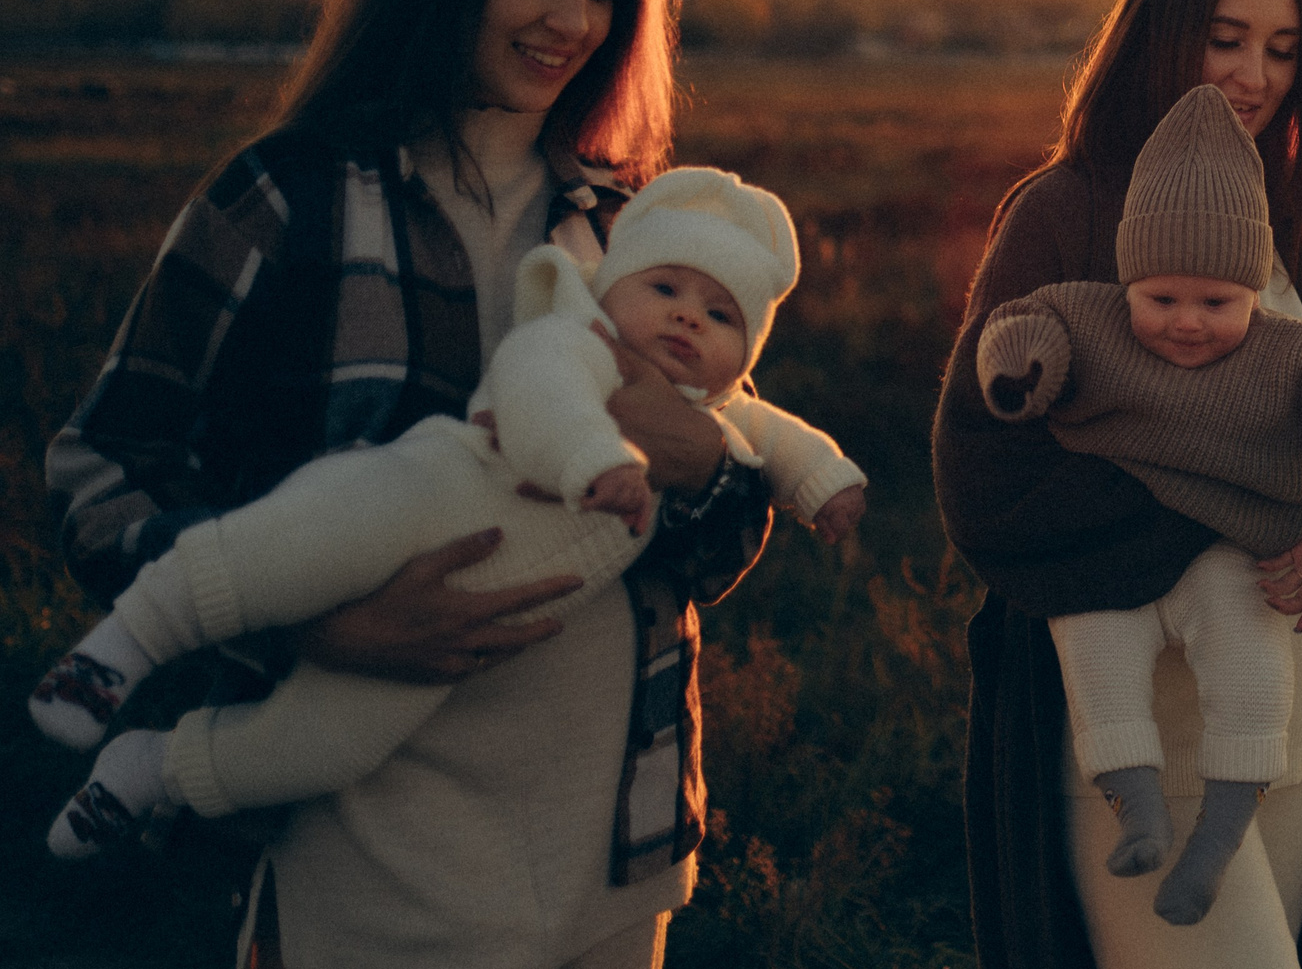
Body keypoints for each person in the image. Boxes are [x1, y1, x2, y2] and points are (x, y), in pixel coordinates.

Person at [46, 0, 773, 969]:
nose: (574, 20)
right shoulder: (288, 197)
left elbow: (717, 539)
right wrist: (301, 620)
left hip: (614, 845)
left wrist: (707, 469)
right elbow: (104, 468)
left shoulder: (636, 222)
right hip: (372, 848)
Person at [37, 166, 869, 860]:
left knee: (330, 745)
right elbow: (542, 399)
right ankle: (124, 644)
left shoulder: (719, 411)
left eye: (722, 314)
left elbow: (777, 446)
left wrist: (824, 482)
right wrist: (599, 460)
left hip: (476, 646)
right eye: (665, 287)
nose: (689, 315)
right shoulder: (575, 337)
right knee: (280, 550)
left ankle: (158, 768)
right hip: (418, 498)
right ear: (610, 287)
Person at [933, 0, 1302, 969]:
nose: (1253, 76)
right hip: (1130, 739)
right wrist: (1252, 498)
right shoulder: (1065, 213)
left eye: (1282, 49)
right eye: (1225, 39)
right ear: (1162, 34)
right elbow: (986, 481)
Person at [971, 83, 1302, 928]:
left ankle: (1219, 830)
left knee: (1253, 653)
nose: (1187, 322)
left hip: (1246, 563)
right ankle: (1136, 803)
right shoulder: (1089, 306)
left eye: (1215, 303)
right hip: (1109, 572)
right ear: (1126, 278)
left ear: (1253, 291)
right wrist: (1017, 373)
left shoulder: (1294, 350)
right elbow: (1025, 327)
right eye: (1161, 299)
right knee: (1094, 646)